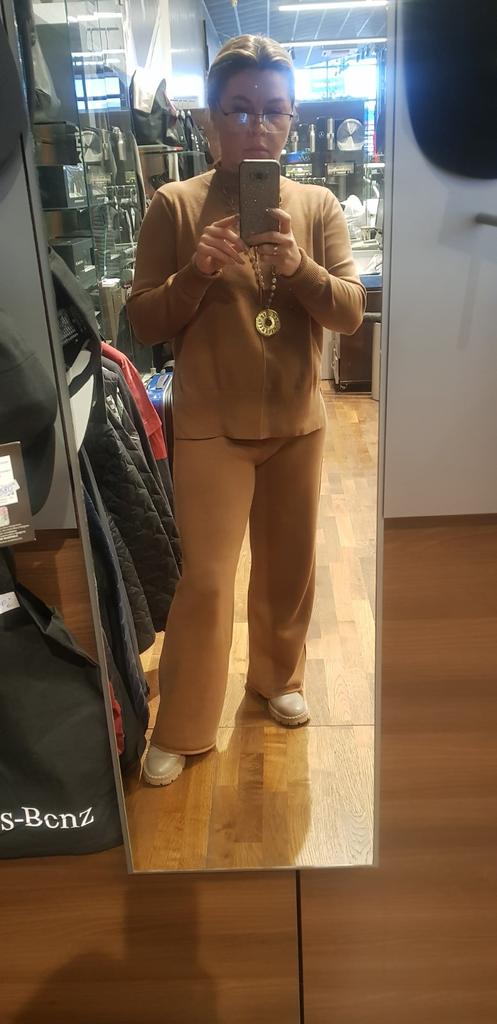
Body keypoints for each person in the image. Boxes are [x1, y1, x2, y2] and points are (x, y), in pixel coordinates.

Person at [127, 34, 366, 786]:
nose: (257, 127)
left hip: (296, 420)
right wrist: (195, 274)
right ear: (209, 120)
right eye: (238, 110)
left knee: (289, 567)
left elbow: (350, 312)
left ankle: (275, 678)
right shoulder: (174, 205)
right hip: (211, 425)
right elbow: (143, 320)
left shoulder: (316, 206)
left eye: (273, 111)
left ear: (291, 121)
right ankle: (185, 722)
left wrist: (299, 268)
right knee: (205, 579)